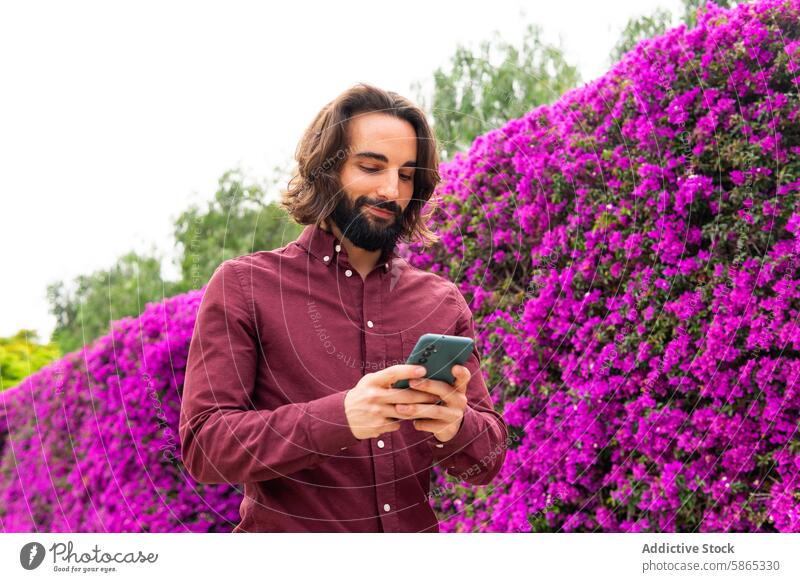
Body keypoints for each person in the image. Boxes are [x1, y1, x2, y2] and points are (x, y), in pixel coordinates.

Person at [179, 83, 508, 532]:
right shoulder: (244, 286)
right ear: (327, 170)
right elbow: (205, 447)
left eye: (407, 174)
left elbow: (486, 461)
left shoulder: (441, 300)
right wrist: (340, 417)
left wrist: (456, 424)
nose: (392, 190)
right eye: (371, 167)